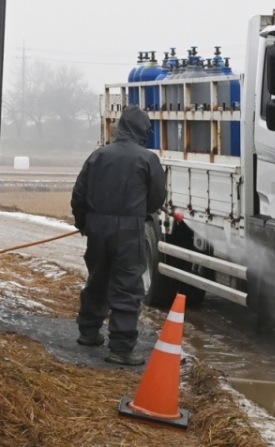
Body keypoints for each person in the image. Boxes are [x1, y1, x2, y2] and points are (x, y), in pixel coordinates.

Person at [71, 105, 167, 365]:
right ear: (142, 131)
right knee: (127, 286)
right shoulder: (148, 159)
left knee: (98, 279)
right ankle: (121, 348)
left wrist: (84, 223)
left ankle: (88, 332)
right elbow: (157, 199)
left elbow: (79, 194)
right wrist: (137, 214)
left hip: (98, 227)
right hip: (129, 229)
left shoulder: (98, 156)